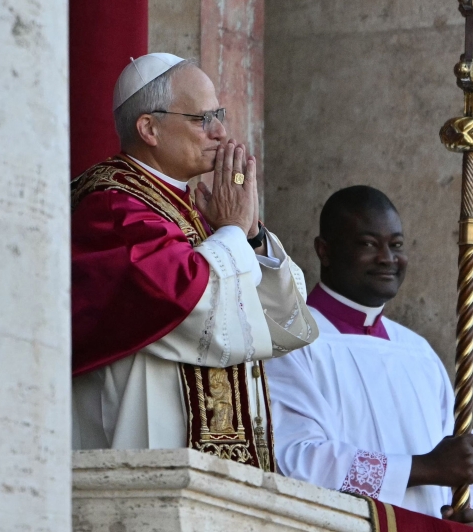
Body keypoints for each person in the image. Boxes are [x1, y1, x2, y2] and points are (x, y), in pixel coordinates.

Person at [71, 52, 317, 471]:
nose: (221, 132)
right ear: (149, 128)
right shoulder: (112, 208)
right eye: (202, 119)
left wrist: (252, 235)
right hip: (144, 461)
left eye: (218, 115)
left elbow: (282, 326)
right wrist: (234, 234)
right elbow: (181, 299)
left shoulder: (202, 213)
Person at [265, 186, 473, 531]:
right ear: (325, 251)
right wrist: (423, 468)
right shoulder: (292, 342)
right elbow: (297, 460)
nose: (387, 258)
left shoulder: (417, 352)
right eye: (367, 244)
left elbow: (467, 463)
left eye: (396, 245)